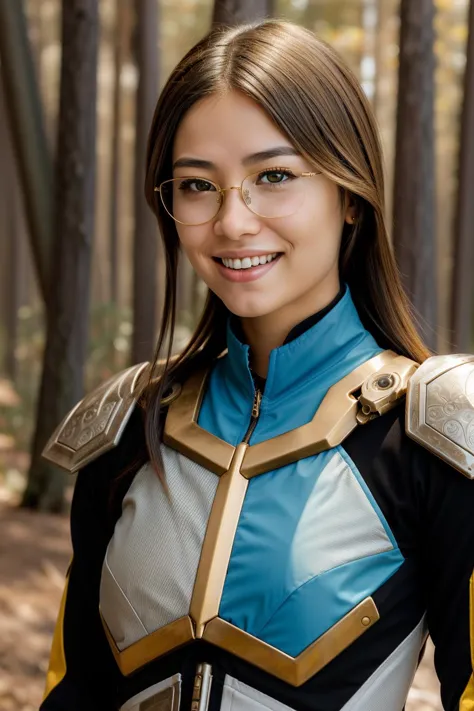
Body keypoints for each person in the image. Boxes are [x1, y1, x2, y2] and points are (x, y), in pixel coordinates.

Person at [39, 18, 474, 711]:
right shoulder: (125, 428)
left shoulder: (437, 436)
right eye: (196, 185)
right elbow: (73, 691)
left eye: (274, 176)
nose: (233, 222)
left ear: (350, 193)